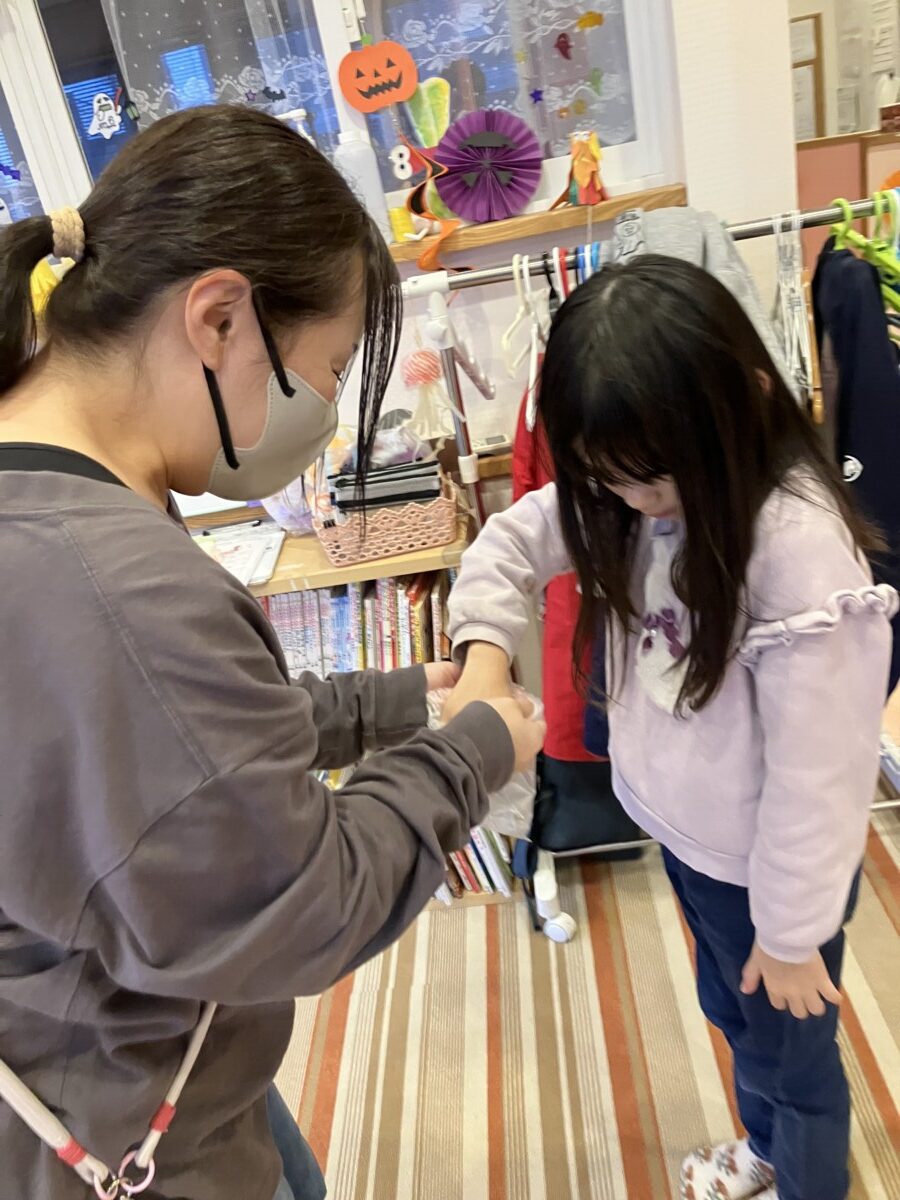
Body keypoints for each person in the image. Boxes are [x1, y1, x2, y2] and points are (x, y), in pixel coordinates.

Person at [0, 105, 543, 1200]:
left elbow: (166, 768)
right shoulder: (112, 586)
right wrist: (473, 750)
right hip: (117, 1119)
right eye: (329, 370)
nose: (327, 412)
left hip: (143, 1054)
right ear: (218, 320)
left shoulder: (50, 501)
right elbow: (302, 901)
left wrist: (387, 703)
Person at [443, 256, 895, 1200]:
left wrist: (792, 933)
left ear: (744, 401)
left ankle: (804, 1176)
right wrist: (483, 654)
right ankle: (766, 1152)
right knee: (732, 1017)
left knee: (795, 1067)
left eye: (650, 480)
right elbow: (513, 538)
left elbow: (824, 775)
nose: (632, 502)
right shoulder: (636, 487)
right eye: (606, 479)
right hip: (692, 841)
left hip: (772, 875)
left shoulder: (800, 555)